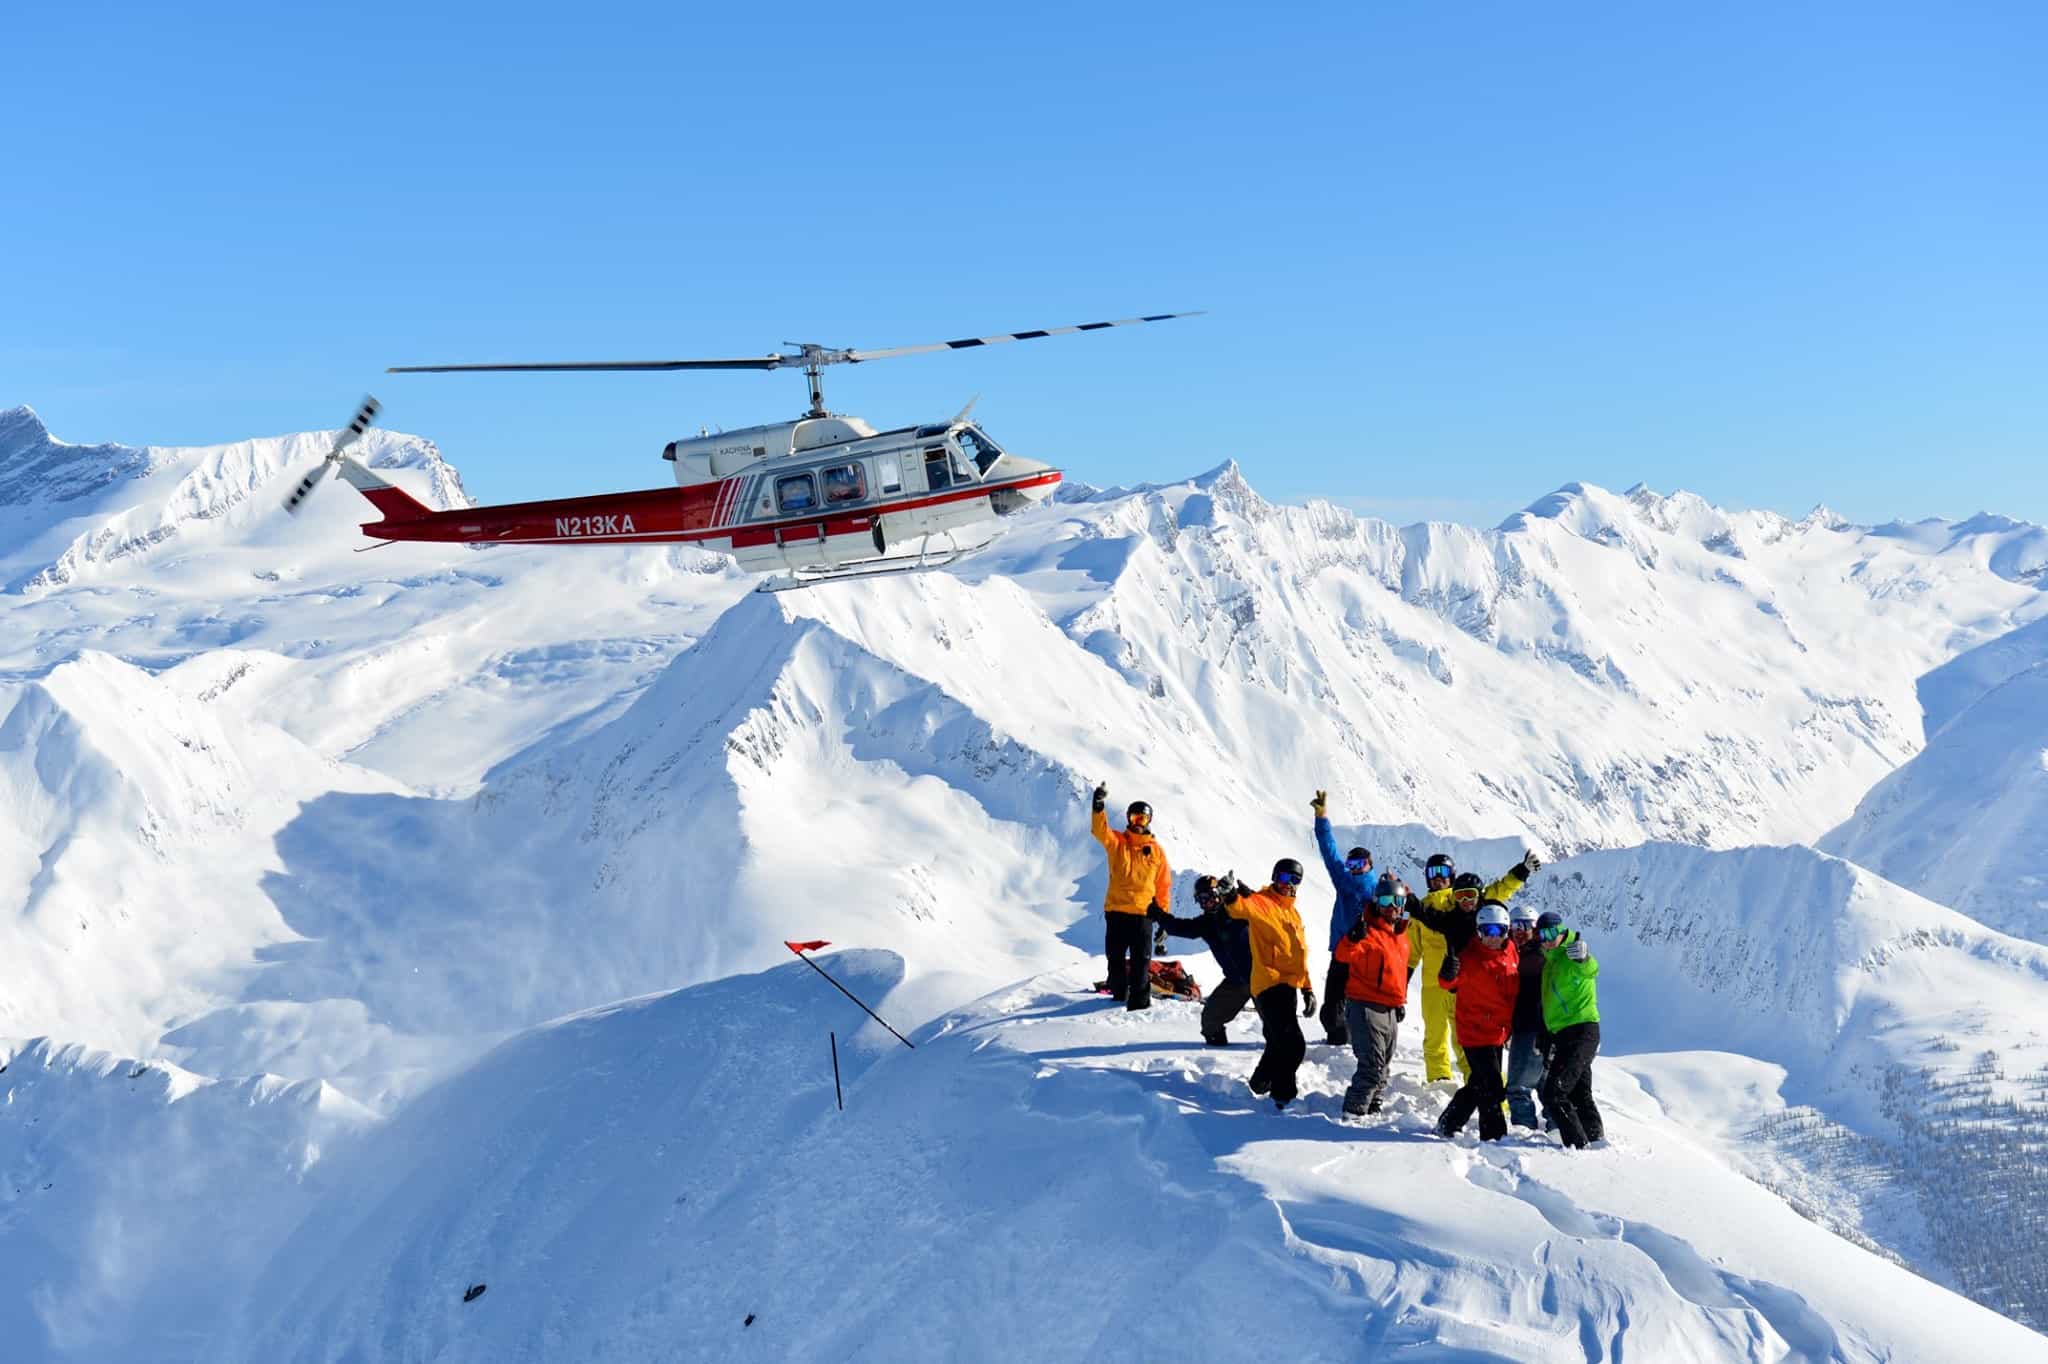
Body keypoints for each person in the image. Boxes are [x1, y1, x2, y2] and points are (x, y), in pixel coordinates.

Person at [1409, 850, 1541, 1082]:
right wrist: (1402, 984)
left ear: (1452, 874)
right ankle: (1439, 1081)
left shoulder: (1462, 900)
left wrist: (1522, 871)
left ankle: (1477, 1079)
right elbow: (1412, 951)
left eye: (1443, 871)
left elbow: (1499, 890)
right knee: (1434, 1036)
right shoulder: (1425, 911)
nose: (1438, 877)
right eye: (1433, 872)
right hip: (1433, 984)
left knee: (1466, 1037)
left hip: (1466, 983)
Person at [1219, 860, 1315, 1110]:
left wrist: (1307, 989)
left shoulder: (1292, 913)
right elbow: (1241, 908)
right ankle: (1283, 1097)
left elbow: (1299, 954)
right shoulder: (1263, 901)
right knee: (1294, 1045)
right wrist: (1230, 895)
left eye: (1295, 880)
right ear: (1274, 877)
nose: (1288, 884)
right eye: (1284, 878)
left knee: (1277, 1041)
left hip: (1289, 985)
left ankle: (1260, 1082)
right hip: (1269, 983)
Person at [1434, 903, 1520, 1142]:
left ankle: (1449, 1122)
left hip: (1498, 1032)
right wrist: (1447, 973)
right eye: (1487, 931)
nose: (1493, 937)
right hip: (1474, 1032)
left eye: (1499, 931)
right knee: (1491, 1085)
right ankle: (1494, 1137)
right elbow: (1447, 984)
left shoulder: (1511, 951)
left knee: (1479, 1082)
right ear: (1479, 931)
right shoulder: (1469, 957)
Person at [1333, 873, 1411, 1115]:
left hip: (1390, 1007)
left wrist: (1399, 1001)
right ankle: (1353, 1112)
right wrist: (1352, 939)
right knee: (1372, 1066)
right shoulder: (1367, 930)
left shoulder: (1400, 935)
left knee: (1384, 1065)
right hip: (1365, 1004)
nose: (1392, 907)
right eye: (1387, 901)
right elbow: (1343, 955)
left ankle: (1373, 1106)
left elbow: (1396, 972)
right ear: (1377, 902)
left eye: (1397, 902)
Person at [1089, 783, 1172, 1011]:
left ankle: (1139, 1005)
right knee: (1114, 961)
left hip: (1143, 915)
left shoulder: (1156, 851)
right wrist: (1098, 806)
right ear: (1128, 818)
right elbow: (1100, 831)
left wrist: (1163, 917)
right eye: (1135, 817)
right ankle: (1117, 997)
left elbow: (1163, 885)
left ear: (1149, 821)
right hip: (1116, 912)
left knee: (1141, 963)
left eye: (1143, 818)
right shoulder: (1117, 842)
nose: (1138, 822)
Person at [1150, 875, 1255, 1045]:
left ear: (1219, 893)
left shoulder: (1239, 910)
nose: (1206, 902)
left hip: (1261, 978)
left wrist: (1250, 895)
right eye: (1201, 899)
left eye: (1210, 896)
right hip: (1235, 982)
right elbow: (1179, 927)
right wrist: (1158, 915)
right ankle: (1220, 1054)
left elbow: (1265, 913)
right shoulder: (1206, 923)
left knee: (1277, 1029)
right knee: (1210, 1023)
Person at [1535, 910, 1604, 1149]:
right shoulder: (1550, 963)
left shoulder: (1571, 953)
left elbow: (1590, 969)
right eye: (1542, 934)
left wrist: (1584, 958)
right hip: (1563, 1035)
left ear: (1563, 931)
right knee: (1579, 1092)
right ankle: (1596, 1140)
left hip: (1582, 1031)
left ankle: (1578, 1145)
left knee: (1555, 1093)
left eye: (1553, 932)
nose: (1547, 938)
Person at [1310, 789, 1373, 1047]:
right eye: (1352, 864)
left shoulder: (1375, 891)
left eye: (1360, 864)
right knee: (1331, 1010)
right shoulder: (1344, 881)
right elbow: (1329, 852)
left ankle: (1350, 1043)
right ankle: (1339, 1041)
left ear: (1370, 864)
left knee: (1354, 1007)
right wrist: (1322, 817)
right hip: (1340, 953)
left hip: (1363, 957)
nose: (1355, 868)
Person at [1505, 903, 1548, 1128]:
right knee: (1546, 1088)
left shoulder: (1535, 957)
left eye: (1526, 925)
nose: (1520, 930)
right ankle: (1557, 1130)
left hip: (1531, 1027)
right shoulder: (1521, 953)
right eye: (1515, 925)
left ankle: (1525, 1133)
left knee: (1518, 1089)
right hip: (1539, 1028)